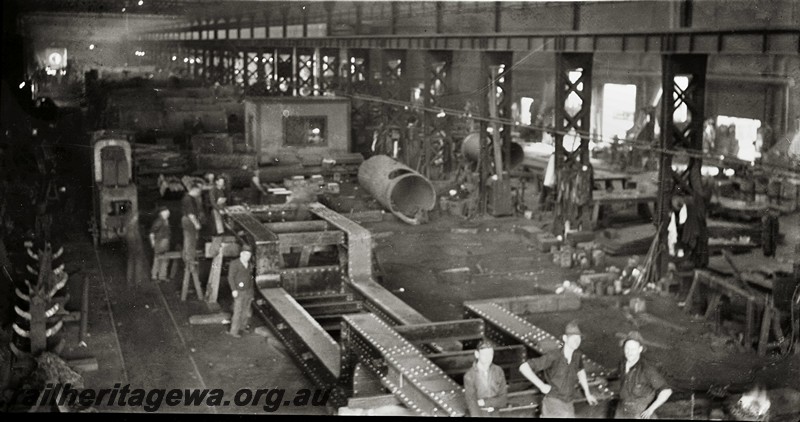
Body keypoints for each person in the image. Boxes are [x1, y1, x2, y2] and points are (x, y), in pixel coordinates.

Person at [518, 321, 598, 418]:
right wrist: (541, 385)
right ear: (565, 338)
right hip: (553, 403)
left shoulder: (577, 355)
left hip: (569, 403)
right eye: (573, 338)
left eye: (578, 338)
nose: (576, 341)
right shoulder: (553, 356)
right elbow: (524, 367)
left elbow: (580, 371)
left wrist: (588, 394)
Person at [615, 331, 672, 419]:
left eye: (633, 349)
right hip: (622, 410)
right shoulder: (622, 364)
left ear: (640, 349)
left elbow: (666, 391)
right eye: (627, 348)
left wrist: (651, 409)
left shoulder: (647, 369)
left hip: (640, 413)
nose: (629, 352)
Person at [463, 340, 508, 417]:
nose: (488, 358)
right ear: (477, 354)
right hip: (480, 414)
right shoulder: (469, 375)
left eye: (490, 354)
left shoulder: (498, 371)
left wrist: (484, 402)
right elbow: (472, 405)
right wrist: (494, 401)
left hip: (496, 413)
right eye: (484, 354)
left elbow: (503, 400)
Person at [180, 183, 204, 300]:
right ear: (194, 189)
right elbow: (190, 214)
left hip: (187, 221)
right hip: (189, 221)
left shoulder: (189, 198)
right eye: (198, 191)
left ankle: (189, 256)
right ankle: (189, 260)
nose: (199, 193)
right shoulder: (188, 199)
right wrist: (197, 224)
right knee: (190, 240)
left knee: (190, 240)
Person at [227, 244, 254, 338]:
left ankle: (242, 327)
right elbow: (230, 277)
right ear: (241, 254)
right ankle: (233, 331)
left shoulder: (249, 264)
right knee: (238, 311)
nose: (247, 256)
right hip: (239, 291)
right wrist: (234, 290)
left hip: (248, 291)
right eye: (245, 254)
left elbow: (251, 278)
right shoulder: (234, 263)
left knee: (246, 310)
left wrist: (252, 292)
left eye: (249, 255)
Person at [148, 205, 171, 282]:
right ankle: (154, 276)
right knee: (158, 259)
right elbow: (152, 232)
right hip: (160, 242)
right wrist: (153, 242)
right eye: (166, 212)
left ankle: (162, 276)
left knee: (164, 259)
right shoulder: (159, 221)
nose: (168, 213)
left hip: (164, 242)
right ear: (162, 213)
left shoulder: (165, 220)